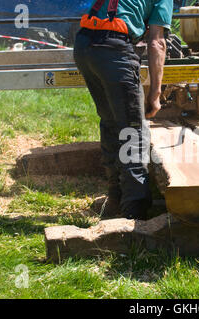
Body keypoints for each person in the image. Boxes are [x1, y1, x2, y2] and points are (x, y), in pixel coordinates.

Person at [73, 0, 173, 220]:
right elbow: (157, 43)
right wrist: (155, 94)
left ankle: (115, 198)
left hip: (84, 47)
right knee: (133, 132)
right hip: (113, 50)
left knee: (110, 121)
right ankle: (134, 213)